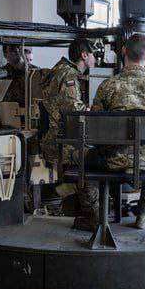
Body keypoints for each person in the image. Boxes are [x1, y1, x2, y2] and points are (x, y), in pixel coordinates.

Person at [91, 33, 145, 229]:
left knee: (88, 155)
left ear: (123, 51)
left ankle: (97, 214)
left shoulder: (108, 86)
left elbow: (95, 128)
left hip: (114, 160)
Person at [40, 38, 98, 229]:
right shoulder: (68, 74)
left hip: (56, 136)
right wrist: (93, 110)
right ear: (84, 55)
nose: (96, 59)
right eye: (94, 55)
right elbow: (74, 110)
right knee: (95, 161)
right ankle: (91, 215)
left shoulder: (59, 69)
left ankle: (66, 195)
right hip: (63, 141)